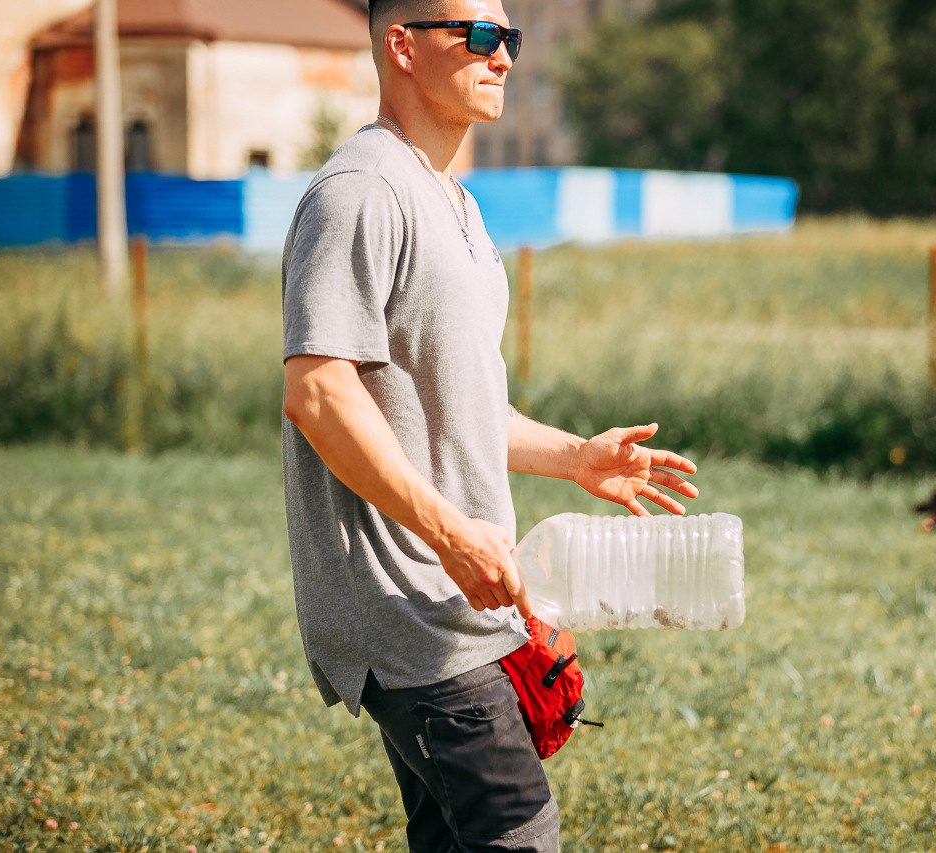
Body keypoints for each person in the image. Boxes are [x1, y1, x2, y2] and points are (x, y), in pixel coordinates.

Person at [280, 1, 700, 850]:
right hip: (412, 608)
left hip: (465, 596)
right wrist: (449, 534)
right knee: (519, 835)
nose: (503, 54)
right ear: (401, 45)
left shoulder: (458, 207)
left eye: (511, 37)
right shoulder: (361, 191)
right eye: (478, 35)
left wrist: (576, 456)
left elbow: (461, 409)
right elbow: (319, 392)